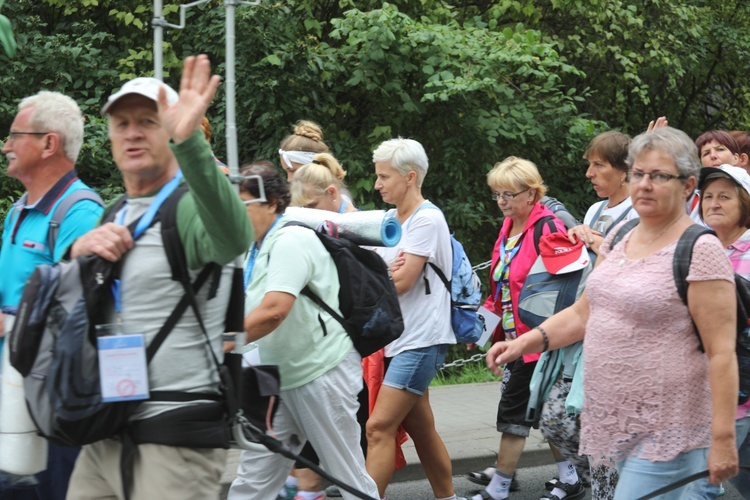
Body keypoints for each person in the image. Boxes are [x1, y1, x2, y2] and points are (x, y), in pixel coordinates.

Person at [487, 127, 739, 499]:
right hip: (612, 427)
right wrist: (522, 342)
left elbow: (721, 353)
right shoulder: (621, 236)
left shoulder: (699, 249)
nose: (645, 184)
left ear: (687, 187)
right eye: (638, 174)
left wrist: (723, 439)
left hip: (669, 432)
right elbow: (582, 313)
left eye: (659, 176)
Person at [65, 54, 252, 499]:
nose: (132, 132)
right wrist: (77, 252)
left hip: (174, 435)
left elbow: (233, 237)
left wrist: (191, 144)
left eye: (148, 121)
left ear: (170, 130)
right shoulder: (113, 212)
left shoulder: (186, 207)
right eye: (122, 123)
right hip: (107, 429)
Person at [227, 161, 379, 500]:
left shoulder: (290, 239)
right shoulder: (254, 246)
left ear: (270, 203)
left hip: (321, 373)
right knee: (254, 478)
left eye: (242, 205)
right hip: (279, 378)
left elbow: (274, 311)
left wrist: (221, 341)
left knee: (348, 475)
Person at [0, 91, 103, 499]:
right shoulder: (18, 209)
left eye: (14, 135)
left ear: (49, 143)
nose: (6, 145)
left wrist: (9, 321)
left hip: (50, 402)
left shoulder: (80, 213)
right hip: (13, 395)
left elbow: (78, 314)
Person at [467, 157, 577, 500]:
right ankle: (569, 477)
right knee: (540, 412)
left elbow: (568, 287)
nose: (501, 201)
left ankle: (500, 486)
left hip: (542, 341)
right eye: (497, 194)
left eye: (508, 194)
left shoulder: (548, 228)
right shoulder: (508, 228)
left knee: (515, 413)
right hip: (516, 341)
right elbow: (499, 289)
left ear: (532, 194)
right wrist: (480, 330)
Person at [366, 137, 465, 500]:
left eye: (383, 176)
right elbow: (381, 274)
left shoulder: (427, 219)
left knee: (378, 427)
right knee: (422, 430)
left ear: (409, 177)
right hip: (398, 337)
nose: (377, 184)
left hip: (421, 338)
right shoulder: (390, 220)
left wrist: (376, 275)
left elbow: (403, 282)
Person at [693, 164, 750, 498]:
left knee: (698, 487)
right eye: (708, 196)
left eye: (724, 197)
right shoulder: (699, 250)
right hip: (704, 390)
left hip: (737, 396)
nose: (712, 203)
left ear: (744, 202)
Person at [568, 131, 637, 255]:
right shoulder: (594, 210)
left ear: (625, 170)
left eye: (599, 165)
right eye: (590, 164)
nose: (589, 173)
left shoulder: (638, 211)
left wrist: (603, 246)